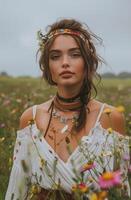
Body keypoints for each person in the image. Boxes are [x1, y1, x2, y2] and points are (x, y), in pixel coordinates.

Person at [5, 18, 129, 200]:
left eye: (75, 54)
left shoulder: (110, 118)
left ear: (87, 63)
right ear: (48, 67)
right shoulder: (30, 118)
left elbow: (122, 189)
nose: (65, 63)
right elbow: (18, 187)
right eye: (55, 56)